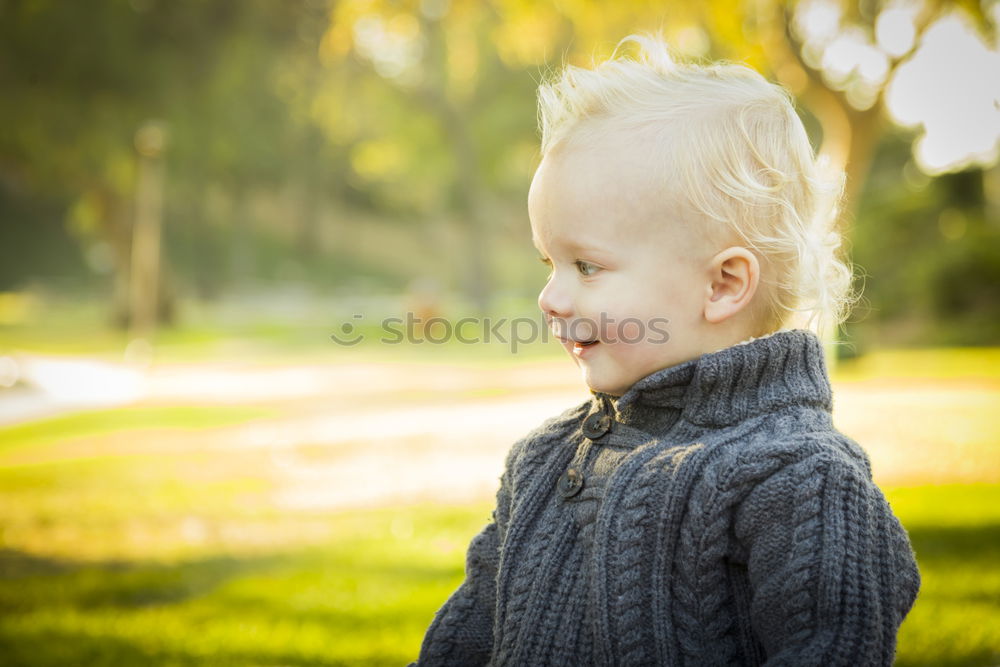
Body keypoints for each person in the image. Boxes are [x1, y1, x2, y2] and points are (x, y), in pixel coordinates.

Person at [411, 33, 920, 666]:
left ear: (723, 284)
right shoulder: (543, 462)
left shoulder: (802, 478)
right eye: (551, 262)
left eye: (587, 266)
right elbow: (463, 642)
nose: (550, 297)